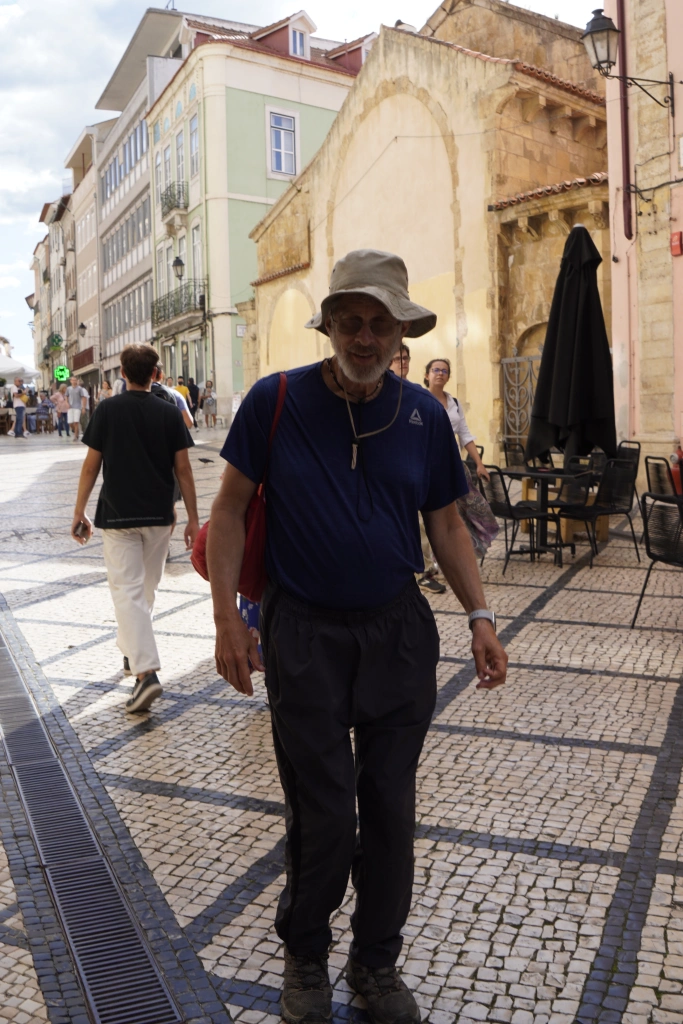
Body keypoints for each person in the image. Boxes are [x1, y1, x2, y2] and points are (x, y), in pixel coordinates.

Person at [207, 249, 507, 1024]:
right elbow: (232, 510)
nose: (365, 337)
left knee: (389, 808)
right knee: (324, 811)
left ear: (401, 329)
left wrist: (479, 615)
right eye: (352, 321)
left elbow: (444, 521)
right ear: (330, 325)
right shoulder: (275, 400)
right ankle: (305, 955)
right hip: (302, 631)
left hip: (397, 634)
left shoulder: (422, 416)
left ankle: (375, 962)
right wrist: (225, 624)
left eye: (381, 323)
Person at [71, 343, 200, 713]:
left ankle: (146, 673)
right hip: (159, 517)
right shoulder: (169, 412)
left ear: (122, 374)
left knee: (128, 592)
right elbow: (185, 471)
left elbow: (90, 467)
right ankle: (131, 655)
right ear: (157, 374)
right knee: (144, 591)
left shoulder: (108, 410)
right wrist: (192, 517)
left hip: (119, 516)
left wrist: (79, 511)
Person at [67, 377, 87, 442]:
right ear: (70, 381)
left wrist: (83, 407)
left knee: (76, 422)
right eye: (73, 380)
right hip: (70, 407)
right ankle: (77, 431)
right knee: (70, 422)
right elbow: (66, 396)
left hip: (77, 407)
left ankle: (75, 436)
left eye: (75, 380)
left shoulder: (80, 389)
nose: (74, 381)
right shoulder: (68, 389)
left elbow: (83, 398)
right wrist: (67, 403)